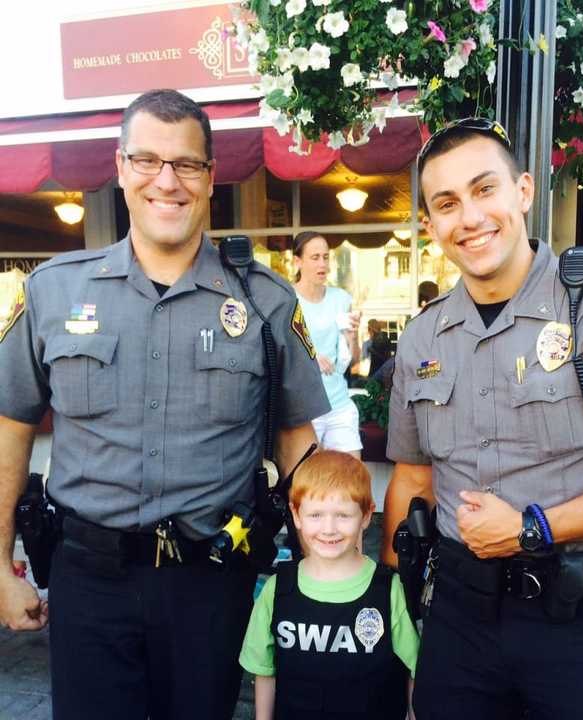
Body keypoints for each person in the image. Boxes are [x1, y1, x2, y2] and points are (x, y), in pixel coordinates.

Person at [0, 89, 330, 720]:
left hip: (209, 580)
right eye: (147, 161)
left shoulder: (264, 302)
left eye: (186, 164)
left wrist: (319, 576)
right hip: (86, 578)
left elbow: (297, 442)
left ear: (210, 178)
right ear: (121, 168)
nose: (166, 182)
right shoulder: (52, 291)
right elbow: (9, 424)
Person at [381, 117, 583, 719]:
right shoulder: (422, 335)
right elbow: (412, 479)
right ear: (429, 224)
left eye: (485, 190)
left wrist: (534, 528)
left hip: (576, 621)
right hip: (457, 622)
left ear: (523, 191)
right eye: (446, 203)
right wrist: (388, 594)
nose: (469, 218)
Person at [240, 449, 419, 720]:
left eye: (343, 515)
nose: (329, 528)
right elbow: (264, 670)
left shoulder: (387, 590)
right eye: (315, 515)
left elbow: (415, 669)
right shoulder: (277, 590)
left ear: (367, 515)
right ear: (296, 515)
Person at [293, 232, 362, 458]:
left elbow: (354, 360)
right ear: (298, 261)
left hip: (338, 404)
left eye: (325, 257)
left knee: (352, 480)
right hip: (303, 409)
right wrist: (311, 357)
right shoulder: (286, 300)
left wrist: (351, 336)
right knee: (305, 484)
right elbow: (277, 354)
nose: (322, 264)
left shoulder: (341, 298)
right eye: (315, 257)